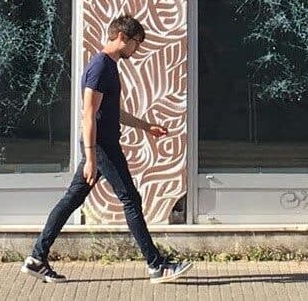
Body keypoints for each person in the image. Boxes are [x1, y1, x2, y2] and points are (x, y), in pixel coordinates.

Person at [21, 15, 192, 284]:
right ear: (122, 37)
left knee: (72, 200)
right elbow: (88, 114)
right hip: (102, 147)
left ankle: (37, 259)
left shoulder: (109, 67)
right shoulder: (100, 67)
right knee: (130, 199)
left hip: (102, 146)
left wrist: (146, 126)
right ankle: (157, 265)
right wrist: (91, 157)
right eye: (136, 42)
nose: (137, 48)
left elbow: (113, 111)